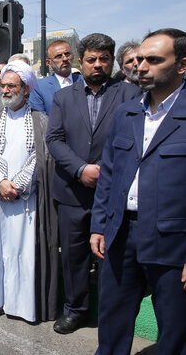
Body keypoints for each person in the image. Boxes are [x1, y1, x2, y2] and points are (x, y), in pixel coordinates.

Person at [90, 28, 186, 354]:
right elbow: (109, 176)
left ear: (182, 65)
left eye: (154, 60)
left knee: (175, 328)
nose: (141, 66)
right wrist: (99, 226)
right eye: (140, 59)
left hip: (173, 239)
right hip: (120, 234)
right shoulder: (126, 112)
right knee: (113, 321)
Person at [46, 33, 142, 334]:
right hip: (72, 191)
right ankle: (76, 309)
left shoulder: (130, 94)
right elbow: (55, 139)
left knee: (110, 256)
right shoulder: (63, 97)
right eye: (91, 59)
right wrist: (80, 169)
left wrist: (105, 170)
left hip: (113, 192)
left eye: (103, 59)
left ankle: (109, 313)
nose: (97, 65)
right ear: (80, 61)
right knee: (74, 257)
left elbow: (136, 139)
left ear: (112, 61)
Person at [0, 60, 58, 322]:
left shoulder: (42, 121)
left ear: (26, 89)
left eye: (12, 86)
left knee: (23, 253)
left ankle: (22, 306)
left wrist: (19, 184)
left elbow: (42, 159)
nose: (6, 90)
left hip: (27, 203)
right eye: (3, 85)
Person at [30, 41, 84, 115]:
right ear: (49, 63)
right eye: (59, 56)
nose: (65, 59)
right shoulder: (39, 87)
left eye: (67, 54)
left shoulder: (85, 81)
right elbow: (40, 121)